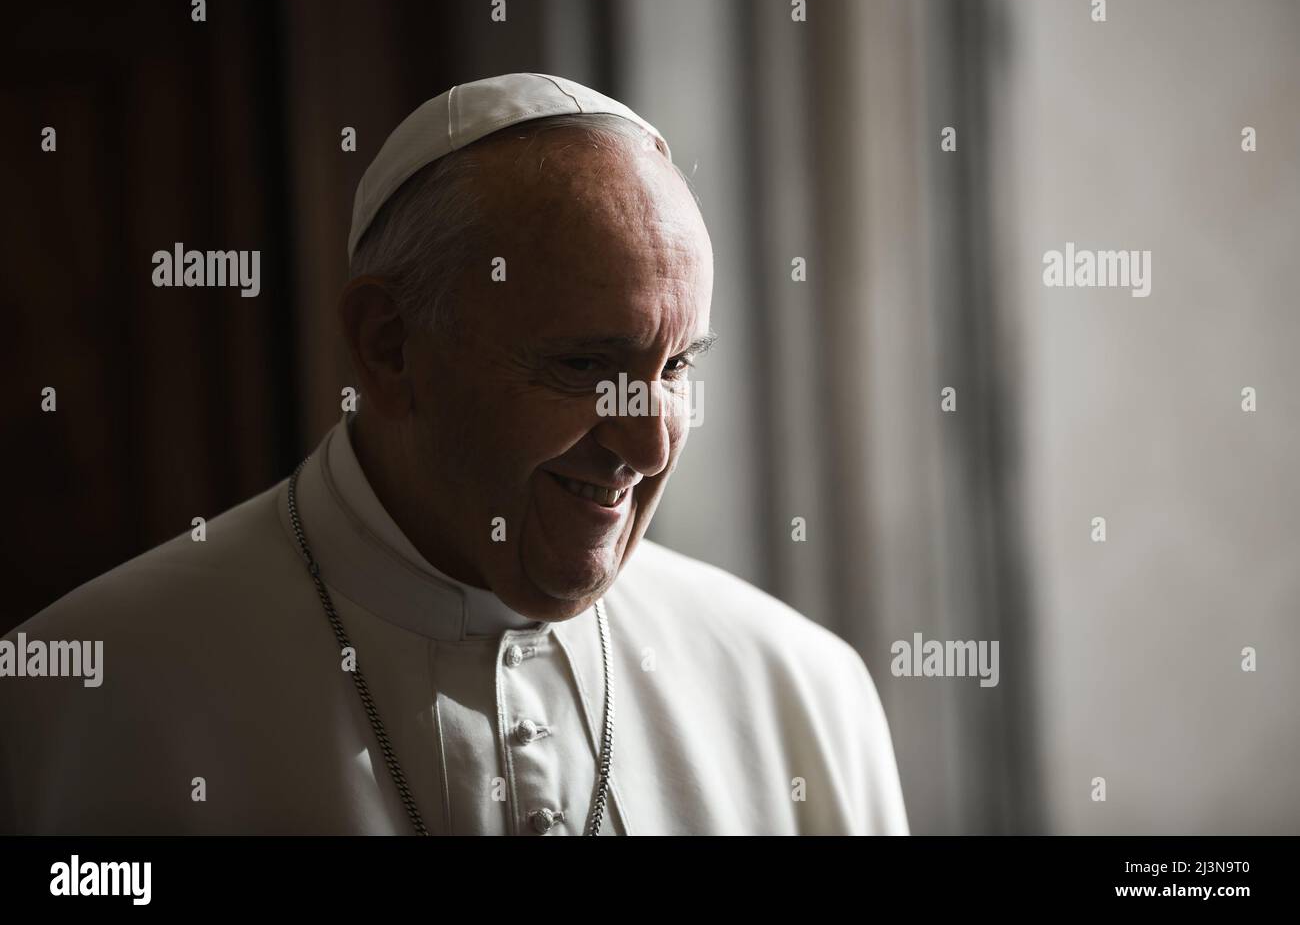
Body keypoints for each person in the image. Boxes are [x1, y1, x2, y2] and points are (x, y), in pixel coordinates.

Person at [0, 73, 908, 835]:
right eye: (587, 363)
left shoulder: (800, 690)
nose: (649, 440)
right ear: (389, 346)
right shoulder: (85, 697)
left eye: (677, 366)